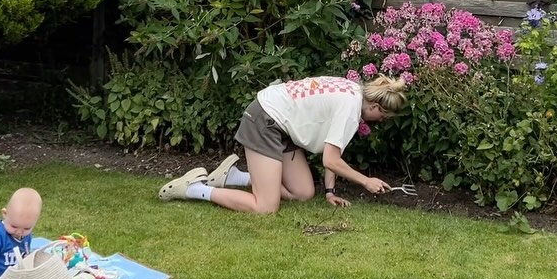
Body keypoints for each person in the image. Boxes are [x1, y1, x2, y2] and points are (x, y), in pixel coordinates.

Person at [158, 74, 406, 215]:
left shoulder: (352, 91)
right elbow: (330, 160)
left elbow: (334, 150)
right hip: (265, 119)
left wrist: (329, 192)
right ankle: (193, 188)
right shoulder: (350, 110)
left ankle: (234, 176)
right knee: (265, 208)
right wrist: (366, 181)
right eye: (382, 117)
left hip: (283, 128)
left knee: (303, 193)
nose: (380, 121)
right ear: (375, 107)